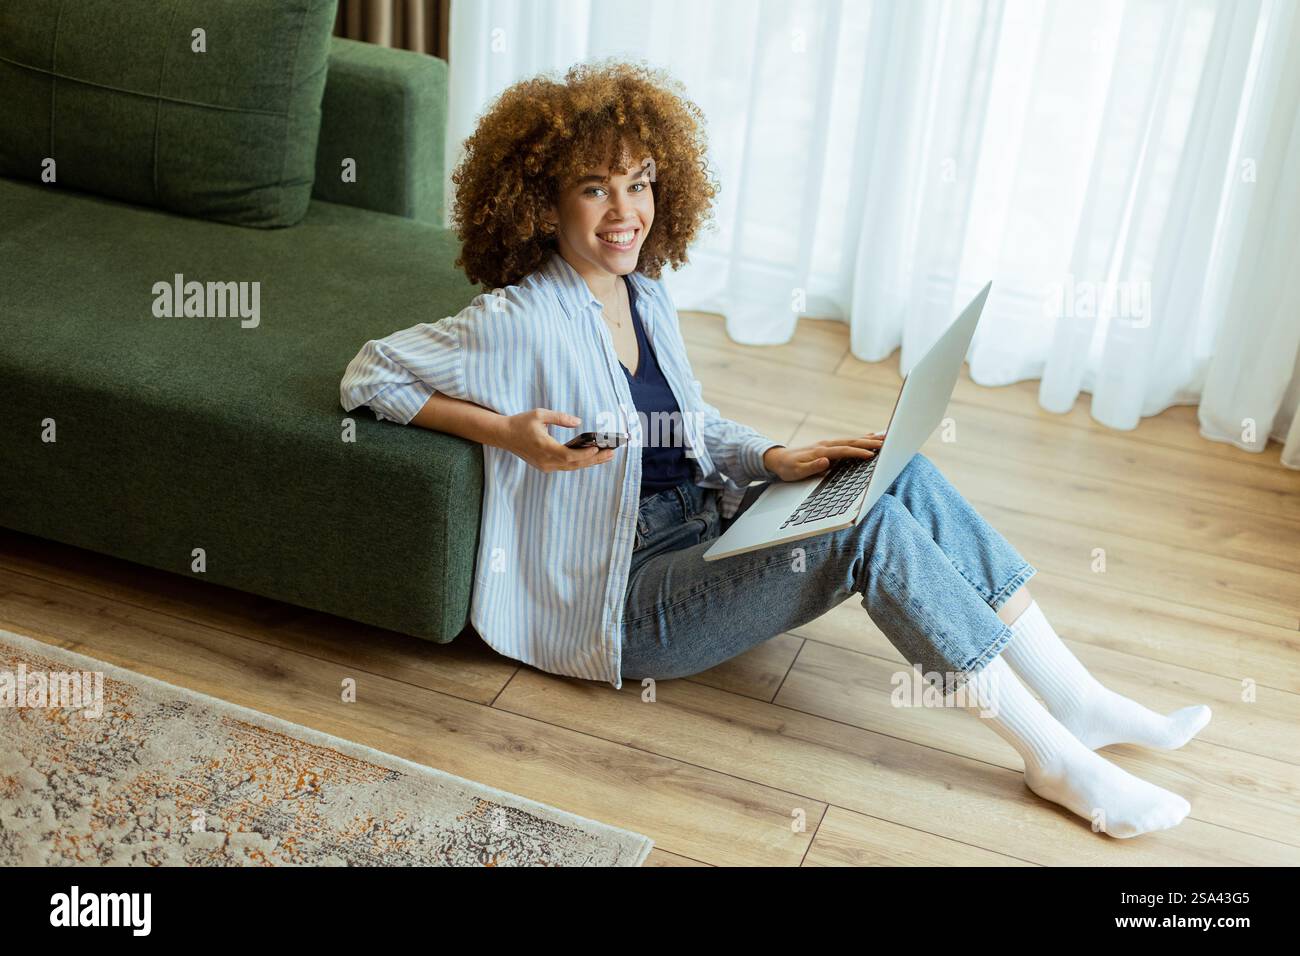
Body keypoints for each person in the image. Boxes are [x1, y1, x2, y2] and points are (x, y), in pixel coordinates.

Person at [340, 59, 1211, 838]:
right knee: (860, 533)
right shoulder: (516, 319)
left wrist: (775, 460)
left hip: (703, 526)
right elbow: (369, 374)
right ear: (542, 199)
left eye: (640, 184)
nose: (626, 211)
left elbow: (694, 422)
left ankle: (1074, 700)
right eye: (596, 188)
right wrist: (505, 434)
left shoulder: (644, 293)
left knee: (895, 472)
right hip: (626, 598)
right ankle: (1050, 756)